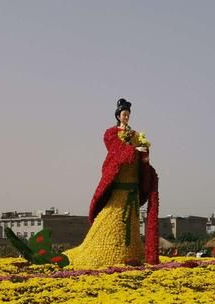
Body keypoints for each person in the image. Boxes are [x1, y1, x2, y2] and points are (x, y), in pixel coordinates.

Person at [65, 98, 160, 268]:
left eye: (128, 115)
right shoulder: (111, 133)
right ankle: (105, 250)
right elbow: (115, 150)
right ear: (118, 116)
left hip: (133, 186)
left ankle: (132, 252)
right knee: (112, 216)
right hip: (119, 187)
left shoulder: (136, 135)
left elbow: (142, 158)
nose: (126, 117)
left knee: (132, 222)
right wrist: (133, 150)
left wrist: (144, 155)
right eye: (124, 114)